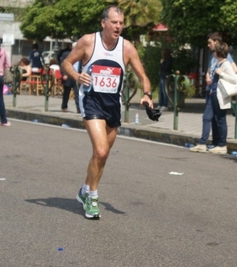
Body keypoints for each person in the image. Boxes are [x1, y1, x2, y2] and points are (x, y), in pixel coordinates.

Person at [62, 6, 153, 219]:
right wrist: (76, 76)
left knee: (101, 156)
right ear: (104, 23)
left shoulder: (127, 48)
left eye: (121, 23)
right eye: (114, 22)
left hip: (113, 105)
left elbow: (143, 76)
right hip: (92, 101)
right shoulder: (88, 42)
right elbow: (66, 63)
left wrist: (147, 94)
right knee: (101, 151)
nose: (118, 26)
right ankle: (92, 197)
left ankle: (85, 190)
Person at [190, 32, 237, 153]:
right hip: (212, 93)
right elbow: (209, 71)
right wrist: (208, 76)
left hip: (220, 94)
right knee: (207, 117)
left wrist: (221, 73)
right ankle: (202, 143)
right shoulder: (216, 61)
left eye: (210, 43)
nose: (209, 47)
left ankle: (222, 145)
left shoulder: (225, 62)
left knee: (220, 119)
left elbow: (234, 77)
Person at [60, 42, 79, 113]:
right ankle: (64, 106)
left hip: (77, 75)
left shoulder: (80, 55)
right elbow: (62, 64)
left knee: (77, 92)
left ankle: (78, 108)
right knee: (66, 92)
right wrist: (64, 74)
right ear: (72, 48)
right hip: (68, 75)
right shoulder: (66, 54)